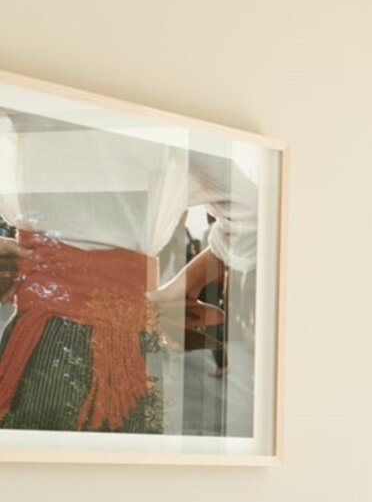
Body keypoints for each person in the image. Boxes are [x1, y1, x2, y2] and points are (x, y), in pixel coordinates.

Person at [0, 109, 258, 432]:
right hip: (128, 344)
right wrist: (182, 287)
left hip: (44, 334)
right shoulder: (170, 111)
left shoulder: (42, 96)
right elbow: (253, 211)